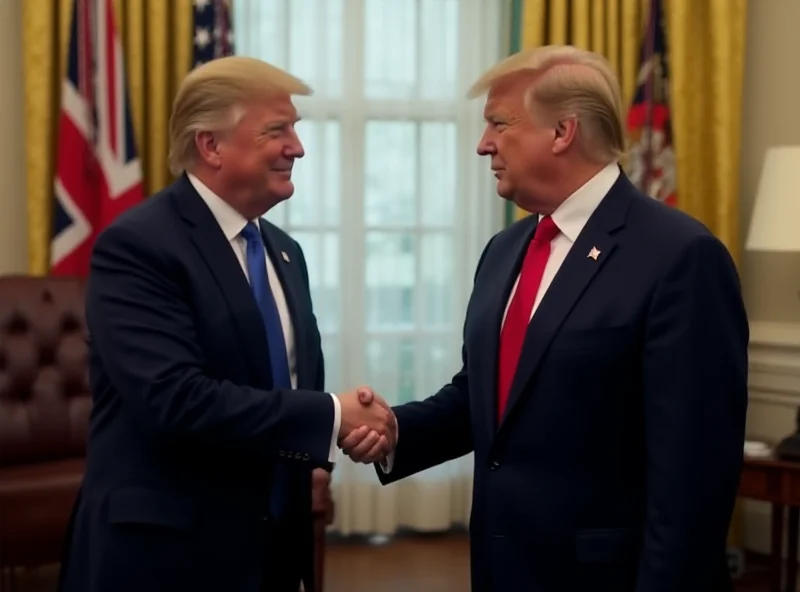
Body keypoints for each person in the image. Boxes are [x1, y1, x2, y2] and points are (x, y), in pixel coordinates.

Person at [341, 45, 749, 592]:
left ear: (562, 132)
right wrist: (398, 432)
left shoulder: (680, 257)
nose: (484, 143)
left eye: (498, 123)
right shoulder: (504, 250)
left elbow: (694, 480)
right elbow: (487, 398)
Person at [57, 56, 395, 592]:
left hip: (269, 548)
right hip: (166, 553)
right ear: (210, 145)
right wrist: (330, 416)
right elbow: (174, 399)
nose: (297, 148)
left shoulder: (284, 253)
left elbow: (291, 381)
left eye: (296, 130)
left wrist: (329, 440)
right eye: (276, 131)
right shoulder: (140, 245)